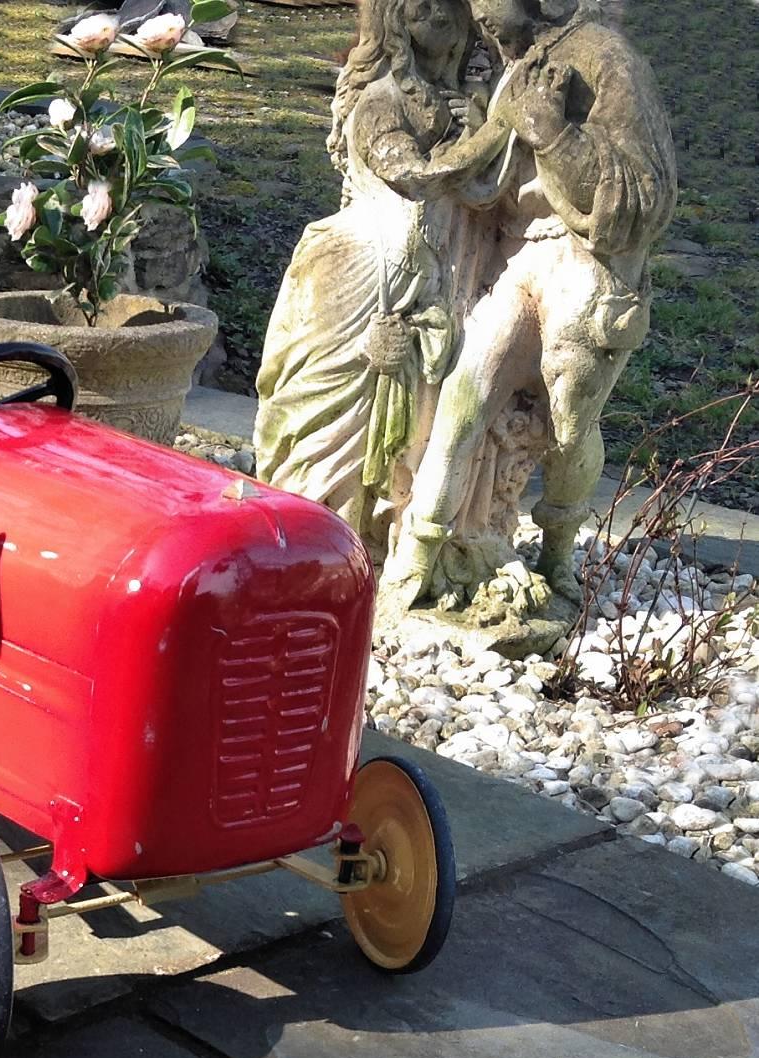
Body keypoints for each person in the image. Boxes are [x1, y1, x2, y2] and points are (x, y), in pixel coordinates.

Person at [377, 0, 677, 615]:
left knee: (569, 427)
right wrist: (448, 155)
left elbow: (647, 195)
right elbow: (484, 166)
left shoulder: (606, 58)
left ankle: (558, 558)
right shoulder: (518, 64)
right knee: (465, 394)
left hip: (586, 269)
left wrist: (557, 134)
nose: (481, 13)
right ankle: (414, 560)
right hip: (520, 258)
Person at [254, 0, 491, 559]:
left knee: (402, 417)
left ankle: (365, 543)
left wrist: (477, 123)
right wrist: (491, 134)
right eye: (418, 7)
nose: (435, 15)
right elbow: (411, 177)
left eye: (447, 7)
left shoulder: (454, 105)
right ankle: (304, 537)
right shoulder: (380, 101)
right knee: (324, 416)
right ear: (393, 24)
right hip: (355, 274)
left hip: (418, 278)